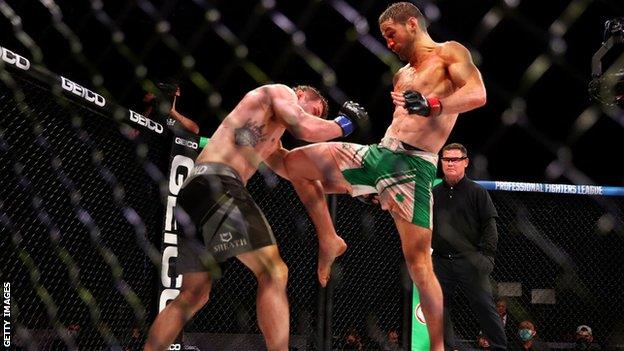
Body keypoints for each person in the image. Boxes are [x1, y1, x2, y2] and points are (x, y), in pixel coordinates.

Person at [283, 3, 486, 349]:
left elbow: (478, 94)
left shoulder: (450, 52)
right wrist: (376, 179)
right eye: (384, 39)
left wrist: (433, 104)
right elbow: (400, 121)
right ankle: (329, 238)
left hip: (413, 165)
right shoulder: (402, 75)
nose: (389, 44)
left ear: (412, 23)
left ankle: (437, 347)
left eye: (391, 35)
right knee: (292, 165)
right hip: (380, 153)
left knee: (420, 265)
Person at [143, 84, 368, 351]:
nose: (316, 118)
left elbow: (290, 167)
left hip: (194, 193)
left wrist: (347, 181)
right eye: (315, 110)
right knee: (274, 271)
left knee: (193, 295)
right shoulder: (278, 93)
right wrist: (345, 123)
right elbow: (305, 127)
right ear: (301, 96)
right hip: (218, 183)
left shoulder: (271, 134)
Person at [431, 143, 506, 351]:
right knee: (439, 308)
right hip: (440, 260)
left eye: (455, 159)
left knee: (484, 305)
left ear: (465, 162)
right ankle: (445, 347)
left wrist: (488, 257)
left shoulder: (477, 192)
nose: (450, 164)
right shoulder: (434, 193)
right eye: (446, 159)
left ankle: (500, 347)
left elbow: (490, 226)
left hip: (471, 260)